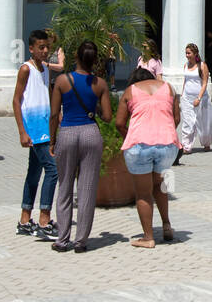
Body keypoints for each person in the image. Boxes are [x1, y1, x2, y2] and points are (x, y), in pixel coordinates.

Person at [49, 40, 111, 253]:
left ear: (75, 57)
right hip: (90, 133)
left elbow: (54, 114)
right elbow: (108, 116)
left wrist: (52, 140)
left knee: (64, 186)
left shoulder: (62, 81)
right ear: (94, 60)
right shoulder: (100, 84)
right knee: (86, 188)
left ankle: (62, 239)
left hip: (67, 131)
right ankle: (81, 241)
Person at [114, 66, 180, 247]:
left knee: (143, 193)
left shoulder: (130, 91)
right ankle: (166, 225)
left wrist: (130, 135)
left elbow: (119, 123)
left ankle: (148, 237)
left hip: (139, 146)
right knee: (161, 186)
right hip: (167, 145)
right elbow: (176, 118)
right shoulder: (168, 88)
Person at [13, 30, 58, 240]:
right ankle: (44, 220)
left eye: (47, 47)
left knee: (34, 173)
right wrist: (22, 131)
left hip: (45, 128)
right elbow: (16, 99)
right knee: (53, 170)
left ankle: (24, 219)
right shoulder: (26, 69)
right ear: (31, 49)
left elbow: (48, 96)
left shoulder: (45, 70)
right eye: (41, 47)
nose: (45, 50)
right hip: (34, 129)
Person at [179, 42, 212, 154]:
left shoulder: (202, 65)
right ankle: (186, 146)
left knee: (203, 122)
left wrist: (199, 98)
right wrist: (182, 94)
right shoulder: (186, 65)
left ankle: (206, 142)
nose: (187, 55)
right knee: (187, 122)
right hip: (187, 98)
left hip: (200, 99)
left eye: (189, 53)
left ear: (195, 53)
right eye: (186, 53)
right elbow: (185, 81)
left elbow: (204, 83)